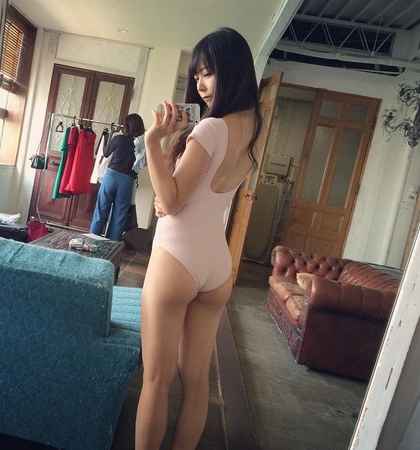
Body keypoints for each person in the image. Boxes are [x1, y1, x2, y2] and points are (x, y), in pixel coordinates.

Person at [135, 28, 266, 449]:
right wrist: (170, 181)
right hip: (217, 265)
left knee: (156, 380)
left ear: (232, 70)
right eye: (197, 76)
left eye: (208, 73)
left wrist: (153, 141)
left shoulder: (210, 129)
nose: (201, 84)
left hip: (177, 258)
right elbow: (198, 192)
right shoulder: (256, 129)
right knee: (196, 383)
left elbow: (172, 201)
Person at [89, 113, 146, 241]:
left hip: (111, 177)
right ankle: (111, 247)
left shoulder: (118, 139)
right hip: (128, 180)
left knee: (100, 211)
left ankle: (91, 243)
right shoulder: (142, 144)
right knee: (119, 217)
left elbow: (105, 152)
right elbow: (143, 164)